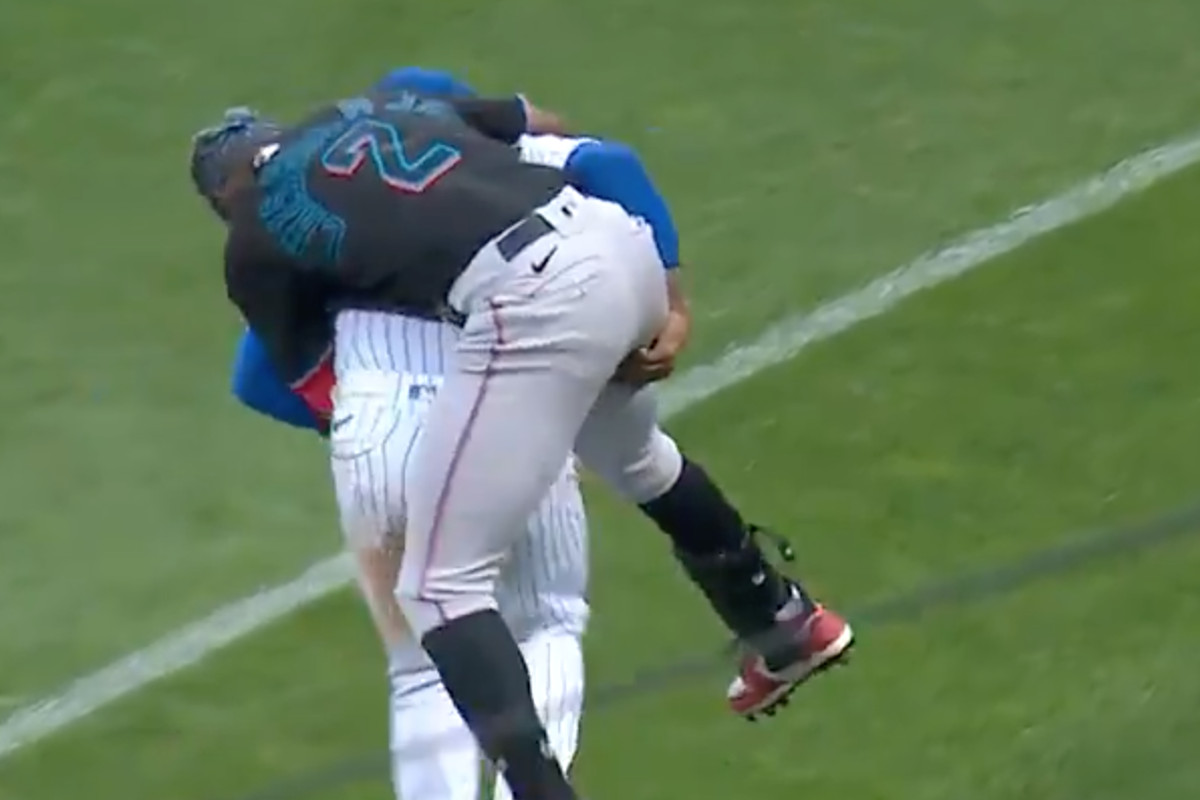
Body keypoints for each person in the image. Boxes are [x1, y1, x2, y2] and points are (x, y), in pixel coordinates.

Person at [193, 76, 852, 800]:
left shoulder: (254, 238)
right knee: (640, 460)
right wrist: (674, 297)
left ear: (223, 196)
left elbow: (303, 385)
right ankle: (783, 621)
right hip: (609, 243)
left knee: (441, 590)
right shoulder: (375, 106)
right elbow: (564, 133)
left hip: (527, 302)